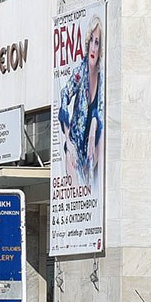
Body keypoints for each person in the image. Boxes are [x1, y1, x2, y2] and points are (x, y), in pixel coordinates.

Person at [56, 16, 105, 186]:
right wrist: (68, 139)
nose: (93, 46)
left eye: (97, 42)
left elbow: (101, 109)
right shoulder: (80, 72)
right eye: (91, 40)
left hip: (92, 146)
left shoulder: (103, 76)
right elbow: (64, 95)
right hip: (75, 147)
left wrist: (93, 129)